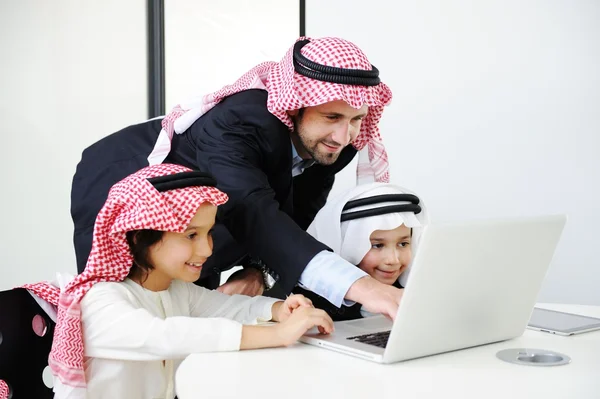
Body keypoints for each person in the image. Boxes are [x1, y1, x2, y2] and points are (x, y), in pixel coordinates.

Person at [71, 36, 401, 319]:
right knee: (130, 314)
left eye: (357, 119)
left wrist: (256, 270)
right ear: (294, 107)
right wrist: (362, 286)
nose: (344, 136)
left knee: (194, 308)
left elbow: (292, 215)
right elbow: (251, 210)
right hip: (118, 175)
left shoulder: (331, 144)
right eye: (331, 116)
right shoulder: (240, 121)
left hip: (205, 225)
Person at [25, 164, 333, 399]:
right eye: (191, 236)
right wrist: (279, 334)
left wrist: (280, 309)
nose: (207, 249)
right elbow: (167, 335)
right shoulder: (97, 301)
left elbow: (229, 308)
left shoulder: (173, 290)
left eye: (209, 232)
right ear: (139, 237)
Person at [294, 183, 430, 321]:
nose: (393, 260)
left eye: (403, 244)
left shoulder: (413, 294)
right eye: (377, 245)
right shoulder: (308, 304)